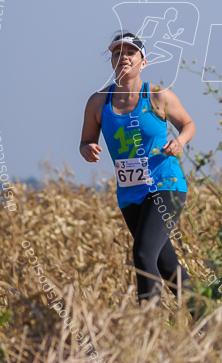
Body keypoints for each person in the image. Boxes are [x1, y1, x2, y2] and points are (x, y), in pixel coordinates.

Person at [79, 32, 197, 303]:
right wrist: (87, 149)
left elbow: (188, 125)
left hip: (165, 185)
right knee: (167, 267)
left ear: (143, 62)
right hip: (130, 193)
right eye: (117, 54)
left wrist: (179, 141)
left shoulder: (157, 96)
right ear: (111, 62)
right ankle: (211, 322)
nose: (123, 58)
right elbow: (86, 141)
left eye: (131, 53)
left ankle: (145, 329)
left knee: (143, 254)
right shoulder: (98, 102)